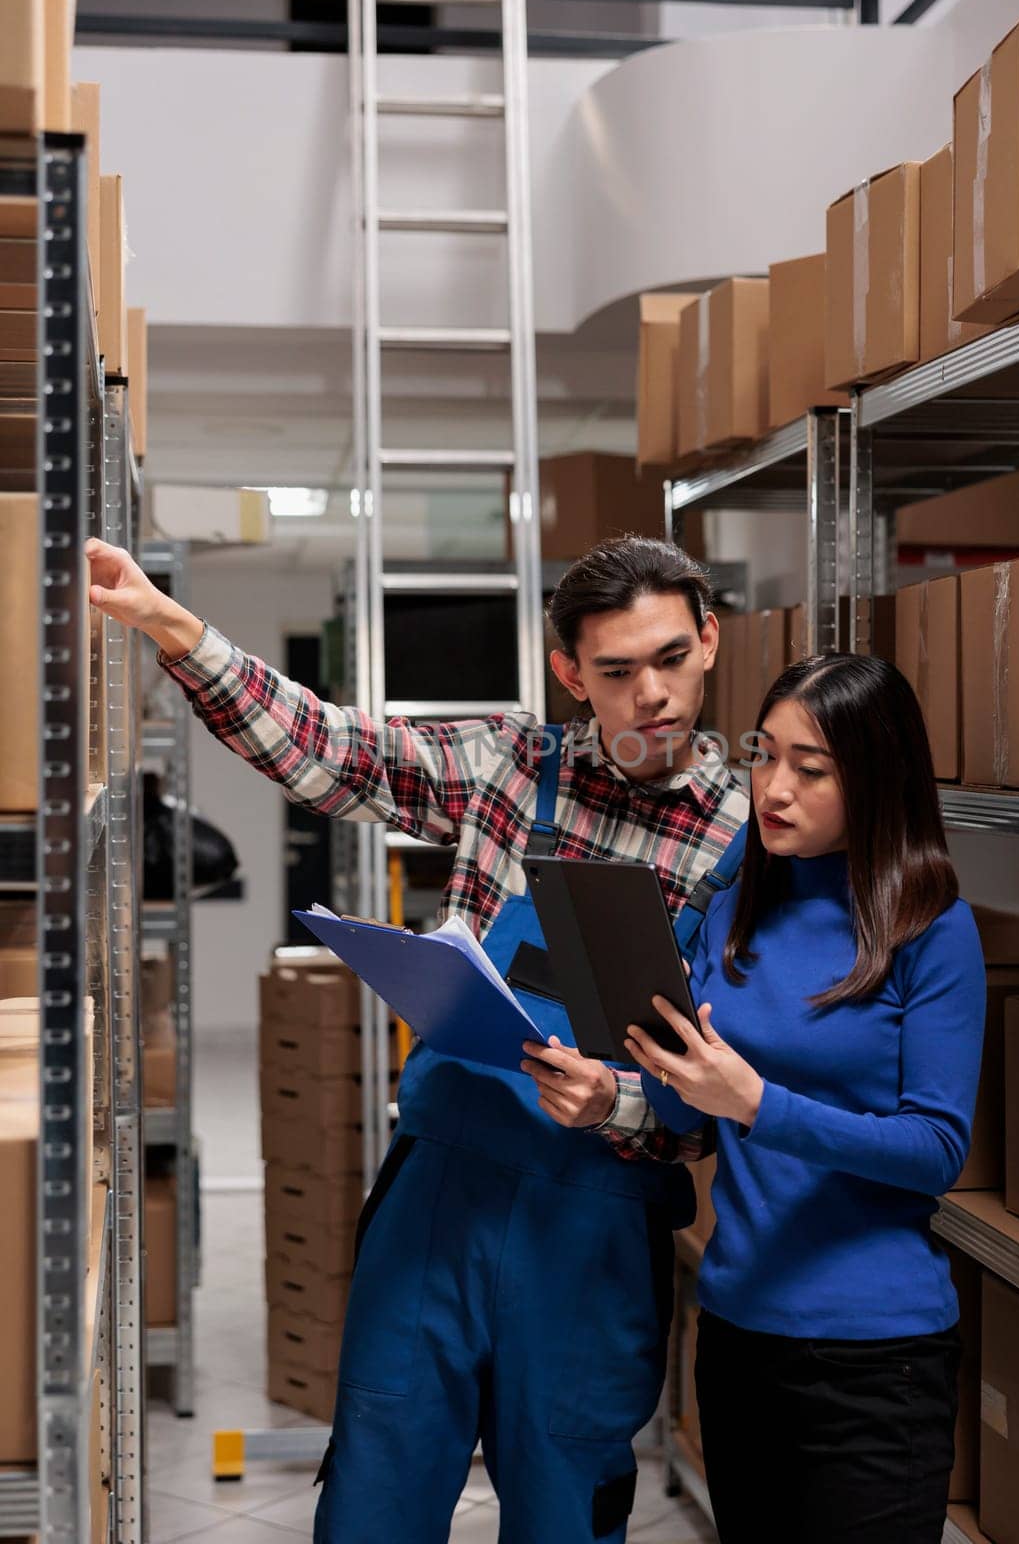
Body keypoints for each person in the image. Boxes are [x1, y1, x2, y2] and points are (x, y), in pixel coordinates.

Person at [85, 532, 749, 1544]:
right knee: (376, 1494)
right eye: (614, 672)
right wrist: (171, 627)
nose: (649, 694)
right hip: (440, 1193)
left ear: (707, 639)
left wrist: (616, 1101)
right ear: (570, 672)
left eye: (668, 658)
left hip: (593, 1225)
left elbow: (736, 1083)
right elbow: (326, 746)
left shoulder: (748, 839)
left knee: (565, 1504)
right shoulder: (507, 764)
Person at [623, 653, 986, 1544]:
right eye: (764, 756)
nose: (773, 787)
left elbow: (934, 1150)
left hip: (874, 1356)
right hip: (740, 1331)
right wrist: (653, 1072)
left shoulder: (930, 926)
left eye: (810, 768)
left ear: (874, 777)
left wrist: (755, 1102)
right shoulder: (731, 908)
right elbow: (693, 1123)